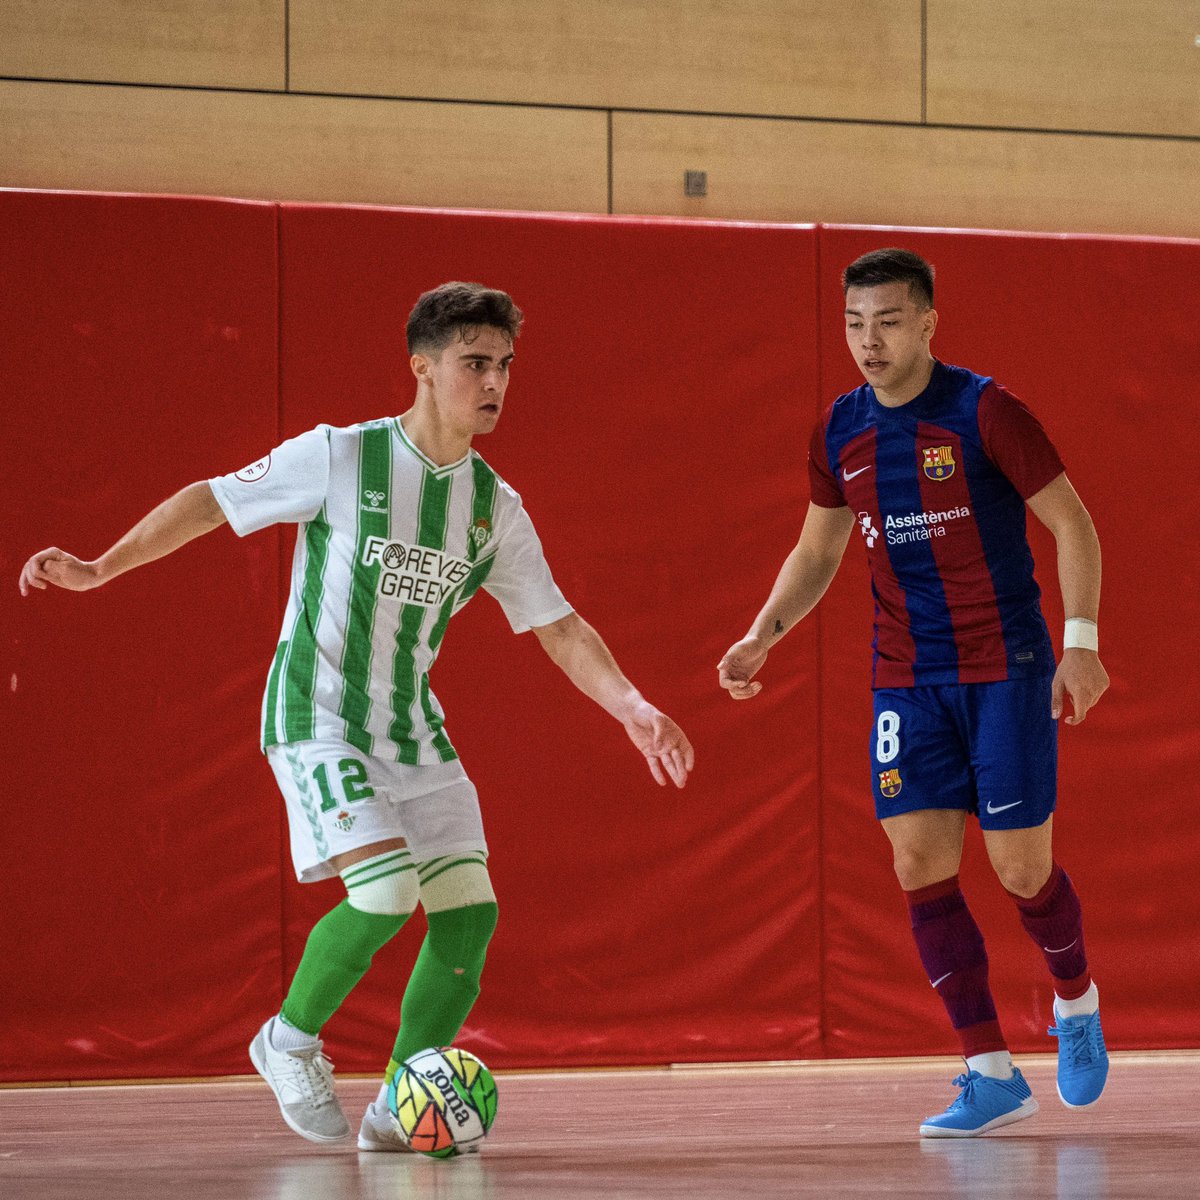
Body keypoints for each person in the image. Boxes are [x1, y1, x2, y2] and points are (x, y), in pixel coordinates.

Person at [20, 280, 694, 1150]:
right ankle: (288, 1038)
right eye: (473, 363)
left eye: (505, 366)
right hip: (317, 713)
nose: (493, 382)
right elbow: (210, 499)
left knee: (469, 913)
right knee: (384, 890)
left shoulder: (495, 507)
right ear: (422, 367)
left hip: (413, 729)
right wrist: (100, 567)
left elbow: (559, 626)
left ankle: (397, 1108)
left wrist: (632, 705)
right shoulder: (341, 456)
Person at [718, 248, 1109, 1137]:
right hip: (906, 678)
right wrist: (760, 635)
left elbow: (1073, 524)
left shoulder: (986, 411)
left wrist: (1079, 647)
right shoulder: (838, 431)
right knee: (917, 866)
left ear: (929, 322)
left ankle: (1076, 1003)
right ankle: (990, 1071)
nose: (869, 340)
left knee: (1020, 869)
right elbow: (819, 551)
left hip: (1004, 667)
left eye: (889, 321)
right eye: (855, 323)